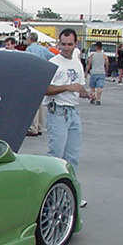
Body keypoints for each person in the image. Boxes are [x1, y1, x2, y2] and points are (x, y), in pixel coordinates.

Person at [44, 28, 93, 207]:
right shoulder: (53, 63)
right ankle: (50, 196)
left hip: (73, 111)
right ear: (59, 43)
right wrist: (67, 87)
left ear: (75, 44)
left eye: (69, 44)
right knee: (56, 156)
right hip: (57, 111)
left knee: (72, 157)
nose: (66, 48)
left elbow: (79, 86)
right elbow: (46, 89)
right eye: (63, 44)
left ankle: (71, 195)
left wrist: (85, 93)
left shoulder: (76, 62)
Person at [26, 32, 53, 136]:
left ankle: (33, 127)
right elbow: (52, 57)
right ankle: (41, 126)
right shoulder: (43, 49)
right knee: (40, 104)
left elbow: (27, 62)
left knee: (33, 103)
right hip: (43, 77)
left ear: (30, 39)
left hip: (33, 77)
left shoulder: (29, 49)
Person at [85, 41, 109, 105]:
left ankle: (93, 98)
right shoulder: (104, 56)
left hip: (93, 73)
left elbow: (88, 64)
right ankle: (98, 99)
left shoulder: (92, 55)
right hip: (101, 73)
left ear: (96, 47)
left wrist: (86, 72)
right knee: (99, 87)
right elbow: (107, 64)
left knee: (92, 87)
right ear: (101, 47)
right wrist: (106, 71)